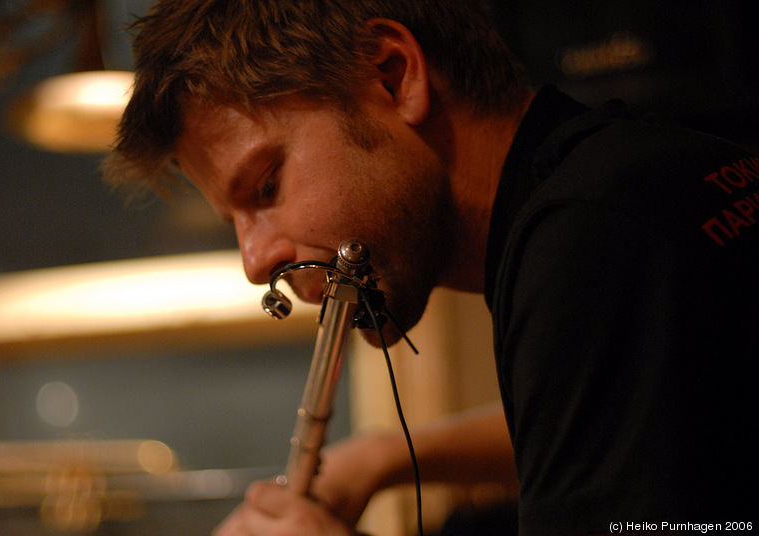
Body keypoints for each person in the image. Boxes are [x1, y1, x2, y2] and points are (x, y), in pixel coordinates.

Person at [104, 1, 758, 535]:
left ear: (394, 76)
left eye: (267, 186)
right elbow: (617, 421)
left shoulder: (591, 239)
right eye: (236, 223)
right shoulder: (614, 186)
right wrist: (381, 456)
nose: (255, 262)